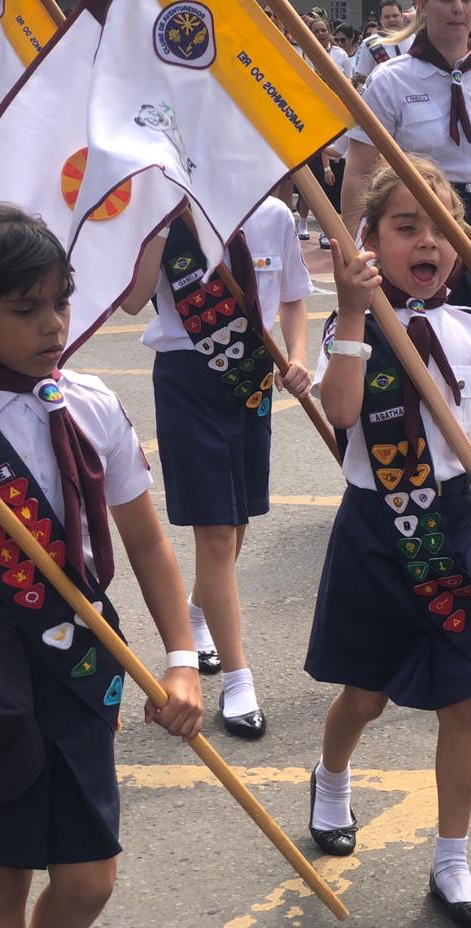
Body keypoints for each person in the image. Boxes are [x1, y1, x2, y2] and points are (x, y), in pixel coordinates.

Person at [0, 204, 204, 928]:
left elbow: (148, 543)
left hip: (82, 652)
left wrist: (183, 660)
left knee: (88, 879)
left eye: (61, 301)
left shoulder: (91, 403)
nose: (52, 327)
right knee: (0, 880)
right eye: (24, 310)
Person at [303, 159, 471, 928]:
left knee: (461, 698)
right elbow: (340, 411)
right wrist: (348, 312)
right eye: (407, 226)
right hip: (377, 530)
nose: (428, 242)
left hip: (446, 529)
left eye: (442, 227)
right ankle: (331, 778)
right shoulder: (359, 329)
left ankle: (452, 859)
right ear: (369, 238)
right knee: (365, 695)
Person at [122, 196, 315, 737]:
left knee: (238, 524)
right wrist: (157, 225)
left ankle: (199, 617)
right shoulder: (164, 213)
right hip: (186, 376)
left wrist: (296, 356)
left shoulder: (273, 213)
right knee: (216, 528)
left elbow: (295, 298)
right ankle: (237, 679)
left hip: (250, 375)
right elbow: (134, 301)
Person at [341, 0, 471, 313]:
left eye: (466, 0)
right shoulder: (390, 79)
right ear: (422, 6)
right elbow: (360, 173)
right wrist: (353, 250)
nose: (458, 8)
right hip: (416, 223)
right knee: (413, 330)